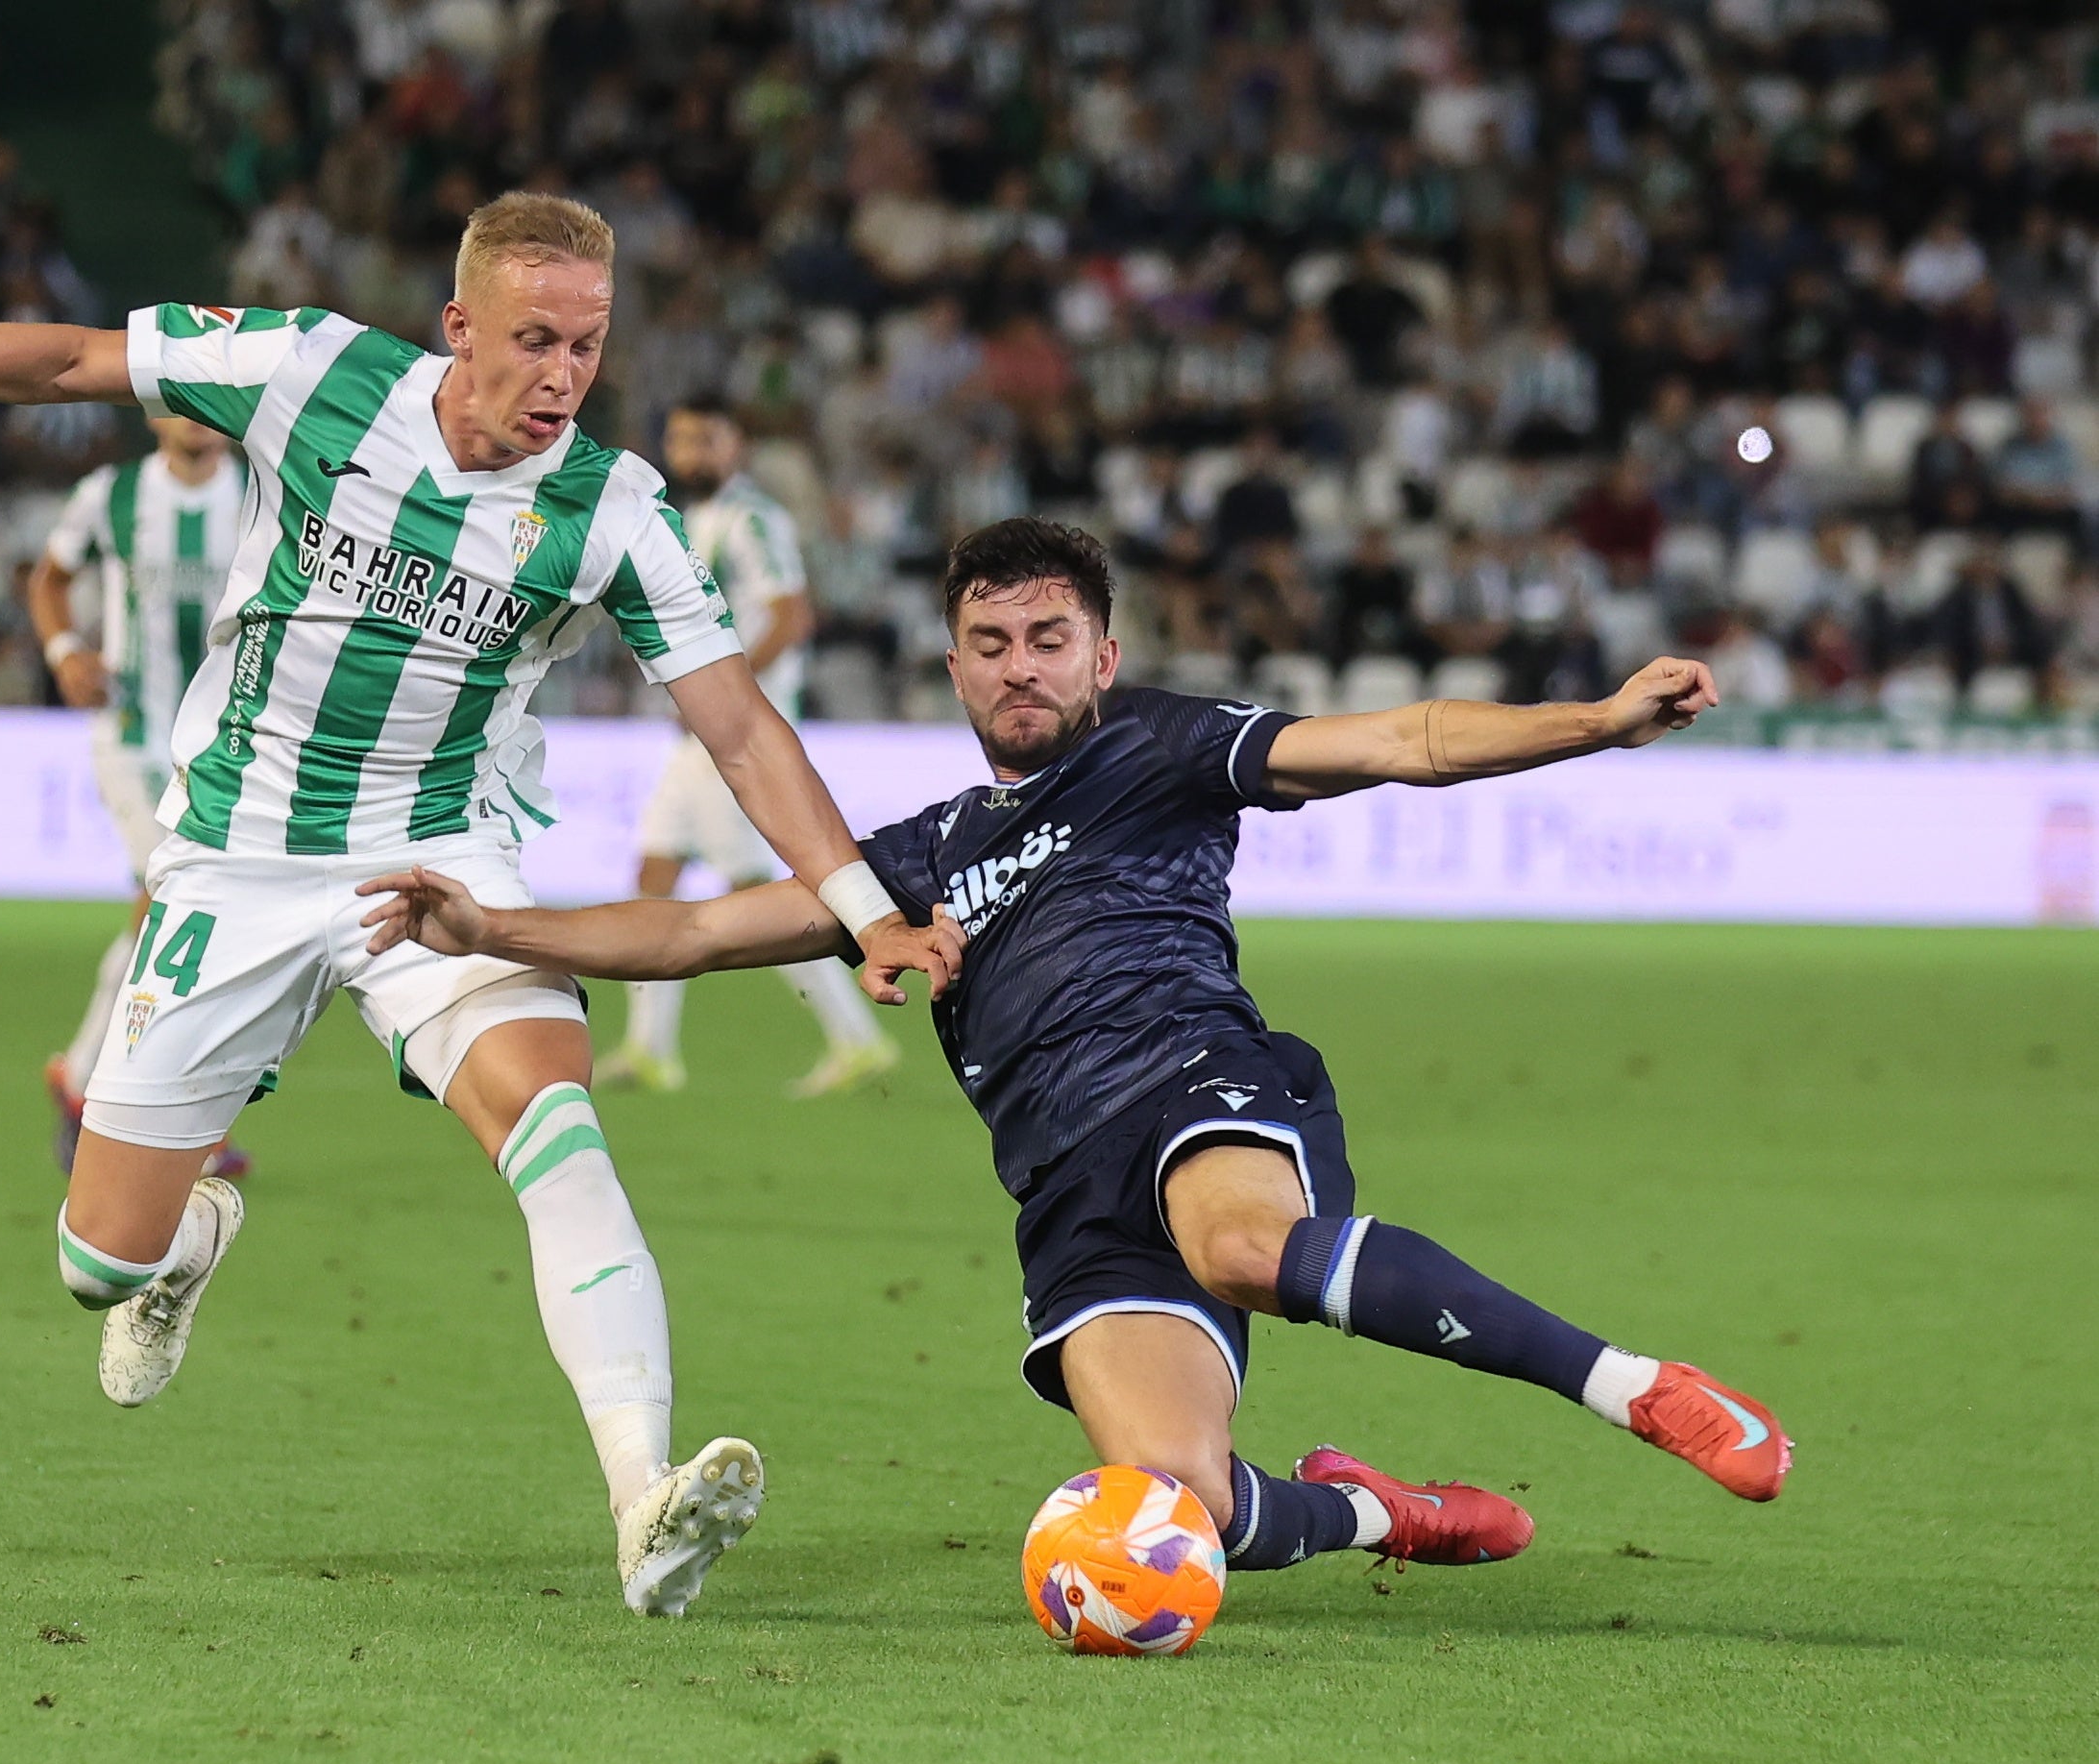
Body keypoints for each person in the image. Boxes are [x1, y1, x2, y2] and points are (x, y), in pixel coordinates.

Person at [0, 190, 951, 1617]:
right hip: (235, 857)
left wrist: (858, 904)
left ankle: (640, 1502)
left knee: (557, 1132)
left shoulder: (609, 507)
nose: (559, 377)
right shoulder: (310, 373)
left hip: (437, 864)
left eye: (587, 347)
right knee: (93, 1263)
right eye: (531, 340)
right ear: (456, 326)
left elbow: (737, 727)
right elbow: (65, 362)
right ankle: (180, 1253)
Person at [357, 517, 1792, 1591]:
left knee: (1238, 1246)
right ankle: (1374, 1507)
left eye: (1048, 640)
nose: (1019, 667)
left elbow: (1402, 739)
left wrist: (1594, 724)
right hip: (1064, 1193)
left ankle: (1631, 1385)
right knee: (1184, 1505)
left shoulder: (1163, 751)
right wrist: (490, 920)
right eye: (989, 645)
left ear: (1100, 654)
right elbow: (694, 933)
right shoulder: (915, 857)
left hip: (1189, 1083)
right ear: (953, 666)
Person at [597, 394, 899, 1097]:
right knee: (654, 872)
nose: (691, 451)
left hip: (732, 734)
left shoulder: (752, 517)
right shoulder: (693, 518)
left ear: (736, 445)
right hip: (698, 739)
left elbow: (793, 616)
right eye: (680, 438)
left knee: (755, 897)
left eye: (707, 438)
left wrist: (722, 694)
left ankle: (857, 1038)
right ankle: (649, 1048)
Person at [28, 411, 256, 1184]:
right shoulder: (113, 494)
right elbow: (49, 578)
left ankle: (172, 1111)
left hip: (231, 748)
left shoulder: (268, 490)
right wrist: (64, 650)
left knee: (213, 923)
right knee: (171, 896)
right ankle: (88, 1080)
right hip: (134, 735)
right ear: (158, 409)